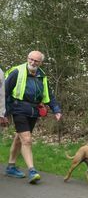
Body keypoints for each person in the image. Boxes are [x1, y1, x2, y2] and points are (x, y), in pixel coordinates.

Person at [3, 51, 62, 183]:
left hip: (33, 111)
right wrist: (3, 113)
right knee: (27, 139)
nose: (33, 62)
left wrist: (56, 109)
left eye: (36, 61)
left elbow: (48, 94)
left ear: (41, 62)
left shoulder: (42, 75)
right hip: (18, 108)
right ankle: (32, 171)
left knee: (20, 138)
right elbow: (4, 92)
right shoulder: (17, 72)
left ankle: (11, 167)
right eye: (31, 59)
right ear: (27, 58)